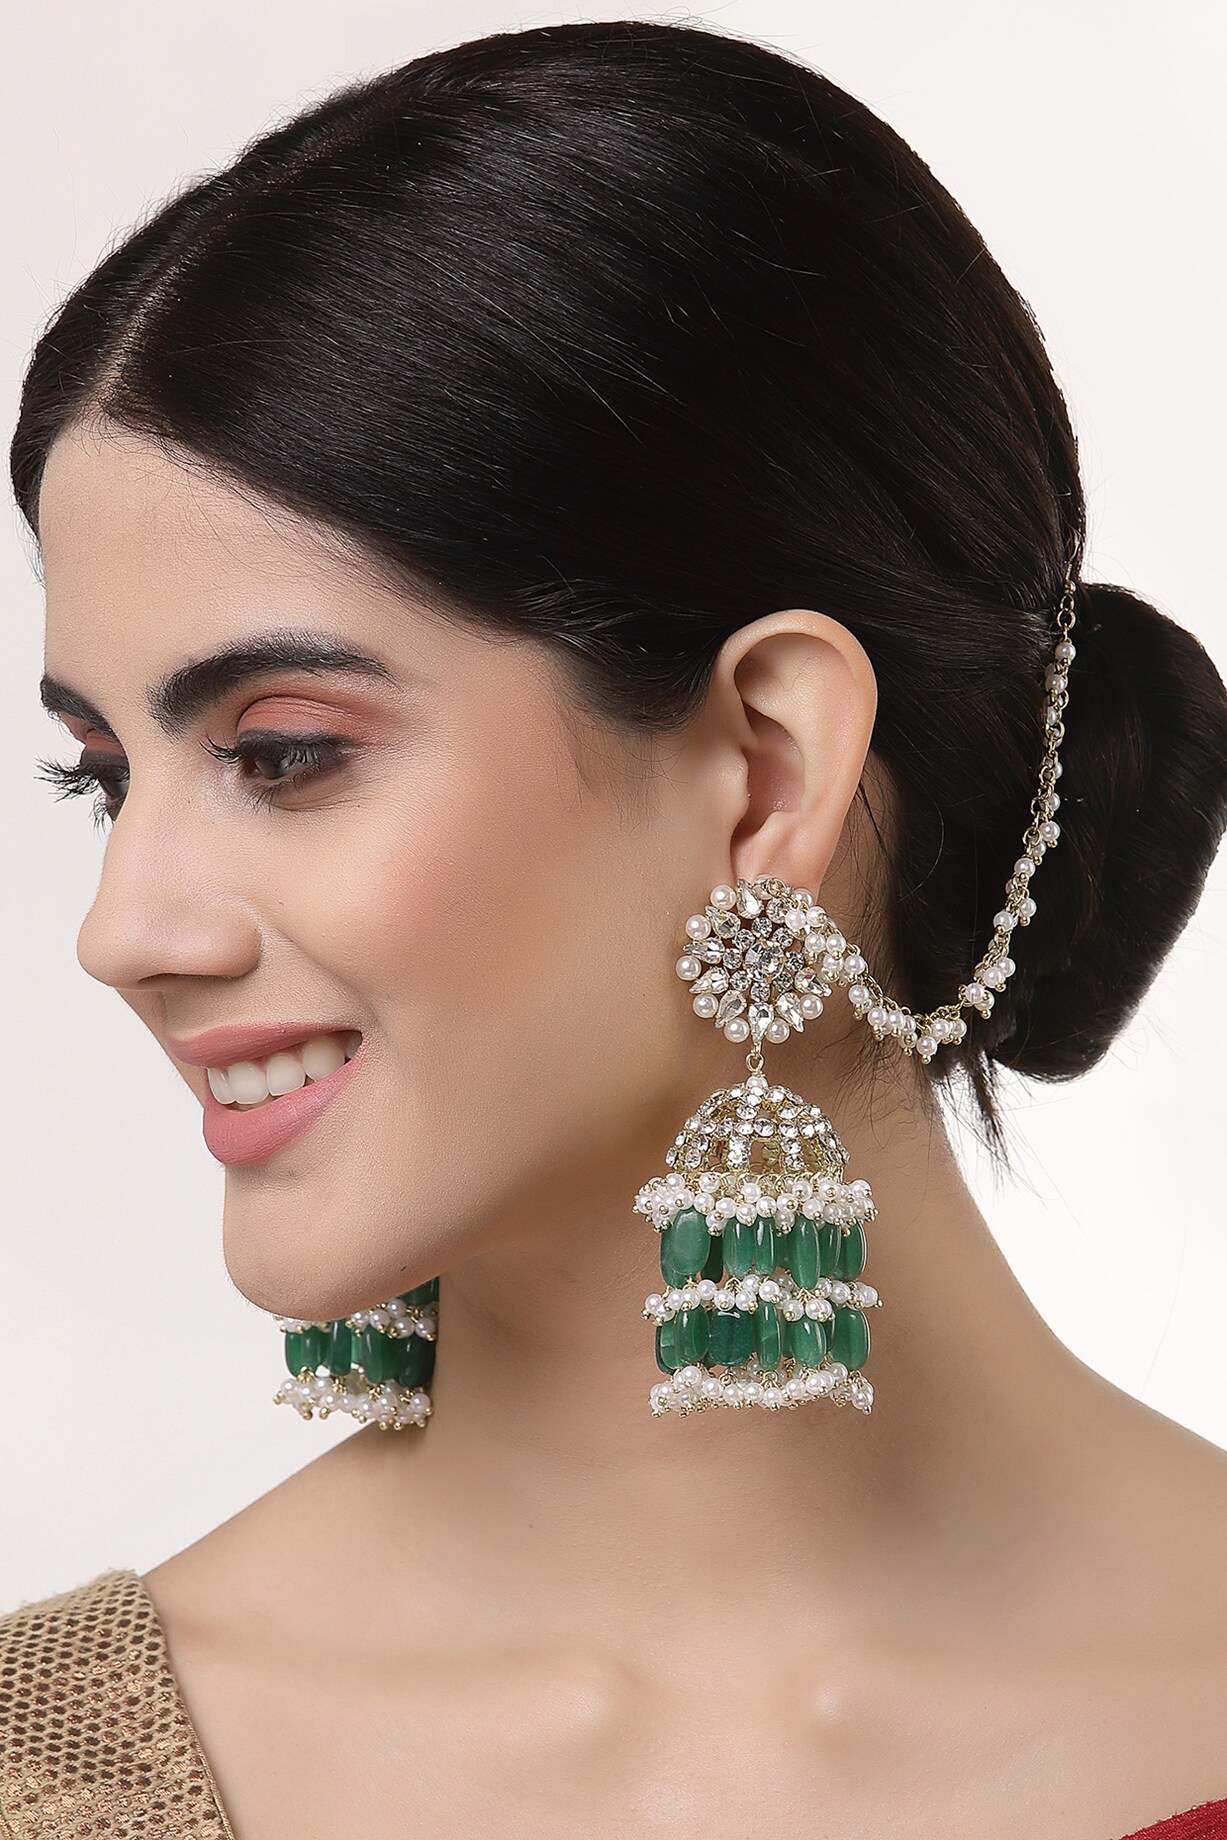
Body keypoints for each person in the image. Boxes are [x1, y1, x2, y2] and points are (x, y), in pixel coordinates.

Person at [2, 18, 1226, 1839]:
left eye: (282, 753)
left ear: (764, 771)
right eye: (106, 777)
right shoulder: (49, 1776)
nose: (124, 934)